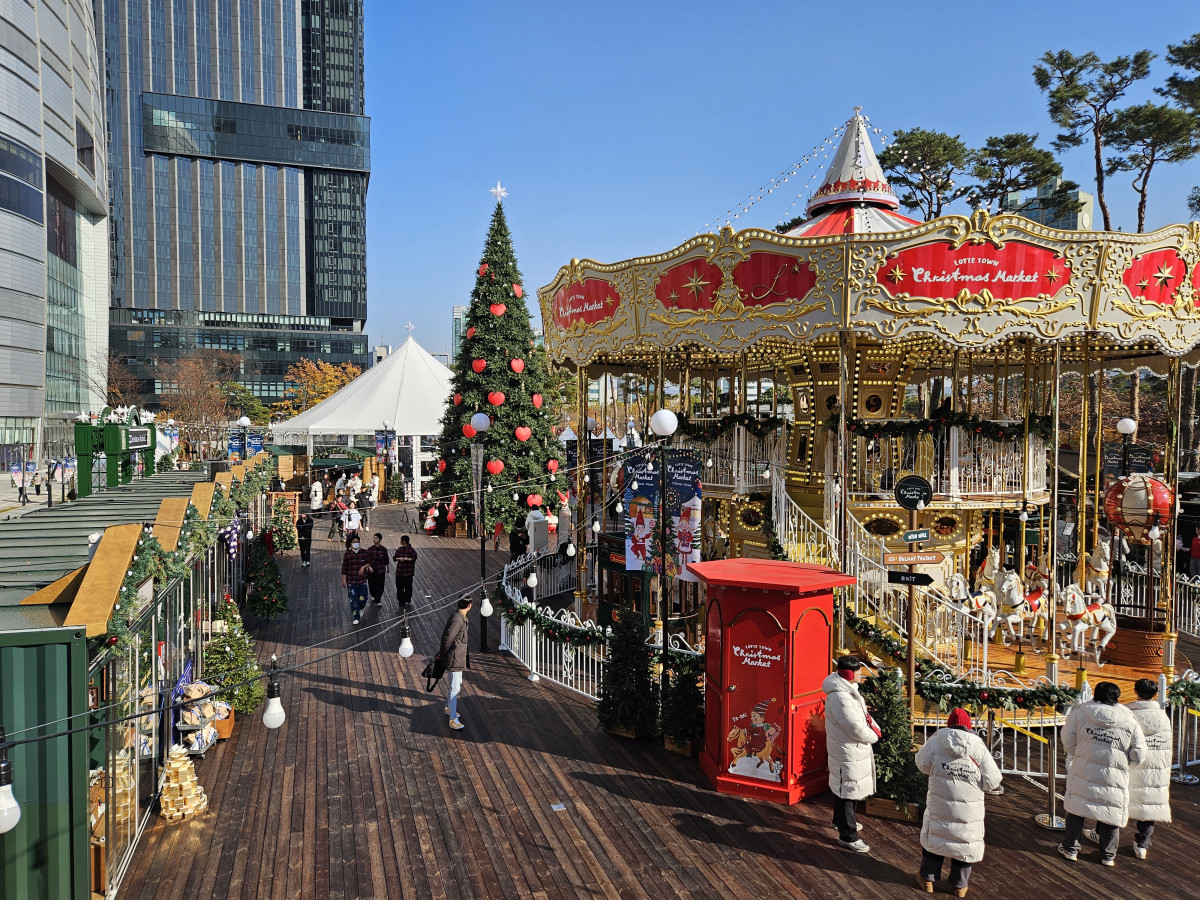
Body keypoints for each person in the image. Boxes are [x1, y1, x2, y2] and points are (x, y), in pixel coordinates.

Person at [915, 708, 1002, 896]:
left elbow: (922, 764)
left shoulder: (937, 740)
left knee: (936, 837)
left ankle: (927, 878)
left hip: (940, 803)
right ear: (968, 727)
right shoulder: (978, 746)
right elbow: (993, 781)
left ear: (949, 723)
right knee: (965, 841)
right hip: (969, 809)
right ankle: (959, 885)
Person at [1059, 680, 1147, 866]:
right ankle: (1108, 855)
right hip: (1114, 772)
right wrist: (1126, 763)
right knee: (1111, 810)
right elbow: (1139, 751)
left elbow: (1067, 738)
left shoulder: (1081, 713)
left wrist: (1080, 753)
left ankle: (1070, 849)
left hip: (1084, 768)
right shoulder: (1129, 720)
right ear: (1117, 696)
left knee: (1077, 807)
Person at [821, 655, 880, 853]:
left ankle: (840, 822)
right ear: (849, 674)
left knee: (845, 786)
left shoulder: (847, 691)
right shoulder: (840, 697)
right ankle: (848, 835)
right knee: (847, 789)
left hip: (852, 749)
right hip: (848, 749)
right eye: (858, 671)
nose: (861, 675)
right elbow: (854, 726)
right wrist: (873, 737)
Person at [1125, 678, 1172, 859]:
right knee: (1149, 805)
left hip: (1132, 765)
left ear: (1135, 691)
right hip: (1156, 768)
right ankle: (1142, 844)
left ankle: (1102, 835)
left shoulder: (1129, 714)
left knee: (1116, 799)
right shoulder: (1163, 718)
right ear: (1155, 695)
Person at [439, 594, 471, 731]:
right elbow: (448, 639)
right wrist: (442, 654)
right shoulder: (458, 620)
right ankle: (453, 718)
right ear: (469, 605)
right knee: (455, 688)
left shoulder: (458, 617)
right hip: (455, 658)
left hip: (457, 657)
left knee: (456, 684)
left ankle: (448, 708)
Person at [340, 537, 371, 626]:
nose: (356, 543)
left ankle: (361, 608)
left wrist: (363, 567)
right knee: (353, 601)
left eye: (357, 542)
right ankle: (356, 617)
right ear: (350, 543)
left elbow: (369, 562)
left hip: (362, 581)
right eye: (354, 542)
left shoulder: (364, 552)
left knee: (363, 598)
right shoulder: (347, 554)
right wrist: (343, 580)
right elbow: (344, 568)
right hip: (351, 581)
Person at [364, 533, 390, 607]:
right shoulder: (369, 549)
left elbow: (386, 559)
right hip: (371, 571)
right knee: (372, 584)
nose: (374, 539)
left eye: (376, 538)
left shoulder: (384, 549)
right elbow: (367, 560)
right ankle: (373, 594)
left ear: (380, 540)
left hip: (380, 570)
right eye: (373, 538)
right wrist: (369, 567)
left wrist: (388, 568)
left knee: (380, 585)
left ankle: (378, 599)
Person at [393, 535, 418, 607]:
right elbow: (395, 558)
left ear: (404, 541)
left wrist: (405, 559)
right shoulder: (399, 549)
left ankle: (407, 598)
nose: (400, 542)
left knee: (408, 587)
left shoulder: (411, 550)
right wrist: (399, 559)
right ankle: (401, 601)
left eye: (401, 540)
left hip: (408, 573)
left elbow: (414, 558)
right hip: (399, 572)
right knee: (399, 587)